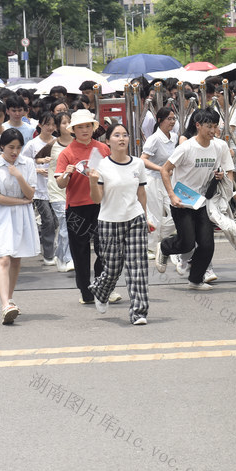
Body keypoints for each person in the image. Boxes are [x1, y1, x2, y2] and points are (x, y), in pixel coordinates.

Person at [158, 107, 234, 290]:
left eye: (215, 126)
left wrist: (221, 175)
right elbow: (165, 170)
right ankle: (165, 247)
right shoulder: (186, 148)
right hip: (182, 201)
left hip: (203, 201)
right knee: (187, 243)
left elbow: (226, 171)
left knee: (207, 245)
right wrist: (172, 195)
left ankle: (195, 279)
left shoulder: (219, 146)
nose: (213, 131)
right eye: (209, 126)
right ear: (198, 125)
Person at [87, 123, 150, 325]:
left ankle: (139, 312)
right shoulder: (101, 165)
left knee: (137, 266)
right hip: (109, 221)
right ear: (108, 141)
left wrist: (146, 217)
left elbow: (141, 192)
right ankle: (101, 290)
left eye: (125, 135)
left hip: (135, 218)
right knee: (113, 267)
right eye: (116, 135)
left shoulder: (138, 164)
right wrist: (92, 181)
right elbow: (97, 199)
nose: (121, 138)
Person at [56, 109, 118, 305]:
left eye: (87, 126)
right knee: (80, 252)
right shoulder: (66, 153)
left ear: (93, 128)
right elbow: (60, 184)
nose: (84, 130)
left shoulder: (103, 149)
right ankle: (85, 290)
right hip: (76, 207)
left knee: (105, 248)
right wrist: (66, 174)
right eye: (80, 127)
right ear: (73, 130)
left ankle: (103, 286)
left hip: (101, 205)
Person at [0, 128, 36, 324]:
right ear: (2, 146)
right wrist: (21, 201)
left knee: (15, 259)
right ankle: (5, 304)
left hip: (21, 216)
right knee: (3, 257)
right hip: (0, 216)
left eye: (18, 148)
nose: (15, 152)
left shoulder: (27, 163)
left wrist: (19, 176)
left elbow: (30, 194)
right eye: (11, 147)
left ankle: (10, 299)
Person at [35, 111, 74, 272]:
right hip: (56, 189)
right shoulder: (53, 144)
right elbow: (37, 158)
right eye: (64, 123)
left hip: (73, 190)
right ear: (57, 127)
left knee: (70, 224)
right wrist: (43, 161)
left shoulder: (77, 143)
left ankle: (60, 254)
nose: (67, 125)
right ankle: (69, 258)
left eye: (69, 122)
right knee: (65, 222)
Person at [141, 106, 177, 259]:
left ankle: (162, 238)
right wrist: (161, 169)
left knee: (176, 211)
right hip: (153, 180)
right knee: (154, 215)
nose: (172, 122)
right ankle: (151, 248)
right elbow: (143, 160)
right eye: (169, 119)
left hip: (168, 181)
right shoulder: (154, 139)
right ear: (160, 120)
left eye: (174, 119)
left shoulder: (174, 137)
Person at [22, 113, 58, 266]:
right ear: (40, 125)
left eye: (53, 124)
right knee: (48, 219)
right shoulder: (32, 144)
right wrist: (37, 170)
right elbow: (23, 163)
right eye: (47, 124)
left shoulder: (57, 142)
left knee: (55, 221)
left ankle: (50, 246)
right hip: (39, 190)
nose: (50, 127)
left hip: (55, 187)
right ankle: (48, 254)